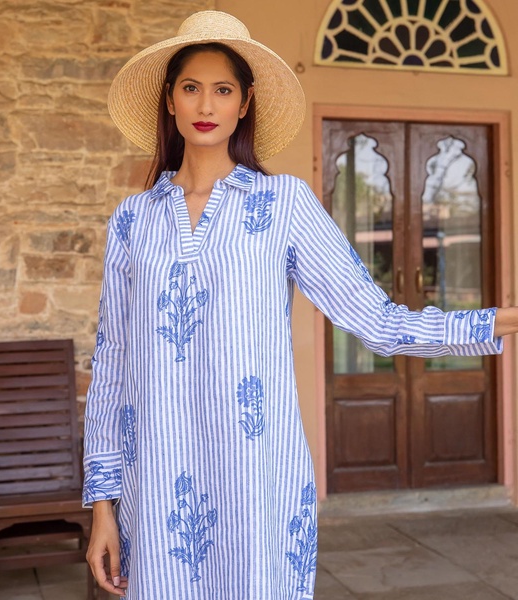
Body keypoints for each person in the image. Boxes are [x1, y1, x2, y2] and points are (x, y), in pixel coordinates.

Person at [82, 10, 518, 600]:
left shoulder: (284, 203)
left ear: (245, 102)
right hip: (154, 489)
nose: (205, 103)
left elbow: (378, 321)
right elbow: (110, 364)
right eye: (190, 87)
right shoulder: (132, 220)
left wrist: (500, 320)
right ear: (169, 101)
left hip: (256, 481)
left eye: (222, 89)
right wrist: (102, 506)